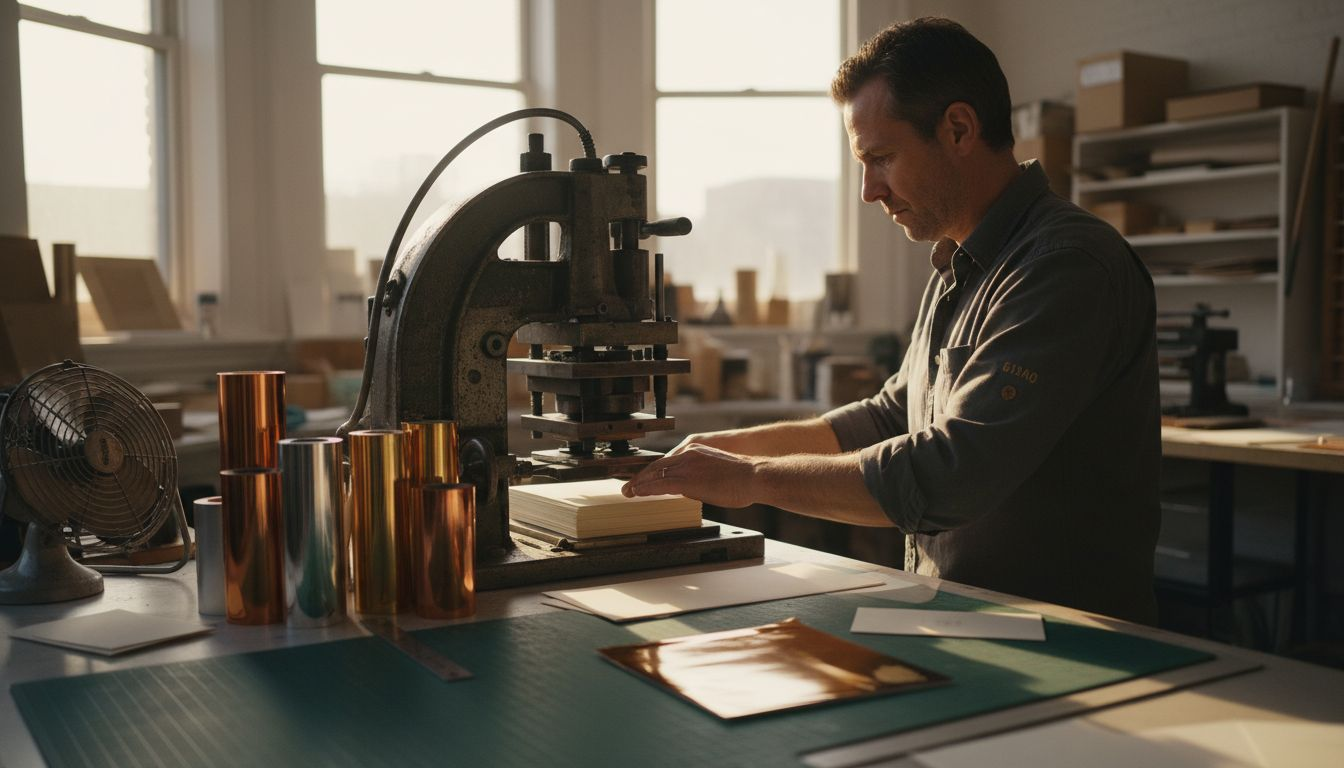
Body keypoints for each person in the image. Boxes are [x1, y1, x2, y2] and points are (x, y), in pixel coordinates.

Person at [623, 17, 1161, 625]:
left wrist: (750, 478)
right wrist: (722, 450)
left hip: (1069, 637)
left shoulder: (1066, 266)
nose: (868, 191)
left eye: (880, 158)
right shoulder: (959, 265)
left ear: (959, 128)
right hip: (967, 620)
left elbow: (955, 472)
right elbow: (887, 416)